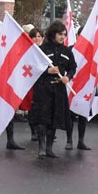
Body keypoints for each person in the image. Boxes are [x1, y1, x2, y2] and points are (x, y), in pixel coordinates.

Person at [29, 21, 75, 158]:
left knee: (54, 119)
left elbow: (73, 67)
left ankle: (49, 148)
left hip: (59, 89)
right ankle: (41, 148)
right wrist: (47, 70)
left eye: (65, 34)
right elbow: (33, 67)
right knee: (43, 119)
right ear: (53, 34)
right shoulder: (42, 50)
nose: (63, 37)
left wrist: (68, 77)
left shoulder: (67, 51)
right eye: (60, 34)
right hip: (44, 89)